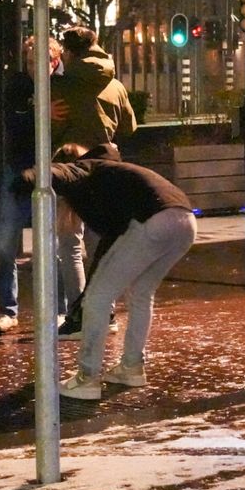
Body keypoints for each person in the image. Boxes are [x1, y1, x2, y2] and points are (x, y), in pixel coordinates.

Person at [16, 143, 197, 401]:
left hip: (153, 220)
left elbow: (59, 173)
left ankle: (87, 378)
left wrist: (25, 179)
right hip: (185, 220)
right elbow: (111, 242)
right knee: (140, 293)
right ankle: (132, 367)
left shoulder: (87, 169)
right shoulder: (112, 175)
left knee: (97, 300)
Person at [50, 26, 137, 338]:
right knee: (100, 244)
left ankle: (78, 315)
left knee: (70, 244)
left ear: (69, 52)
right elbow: (130, 127)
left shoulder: (59, 86)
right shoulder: (114, 85)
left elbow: (46, 126)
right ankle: (105, 310)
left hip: (71, 166)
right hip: (107, 167)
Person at [0, 36, 62, 336]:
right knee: (5, 244)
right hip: (18, 169)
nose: (34, 68)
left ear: (54, 61)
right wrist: (41, 112)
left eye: (39, 62)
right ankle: (9, 310)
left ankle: (59, 309)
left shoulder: (61, 85)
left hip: (51, 169)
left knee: (54, 247)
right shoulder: (17, 86)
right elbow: (14, 122)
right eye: (30, 62)